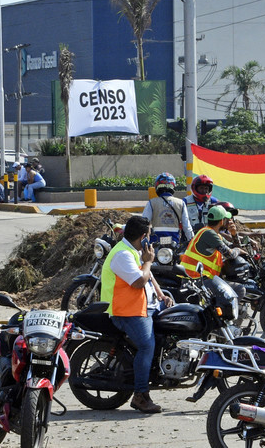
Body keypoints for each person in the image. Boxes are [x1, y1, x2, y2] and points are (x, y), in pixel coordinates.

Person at [101, 215, 173, 414]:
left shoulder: (133, 250)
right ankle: (140, 395)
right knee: (146, 344)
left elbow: (147, 275)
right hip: (125, 311)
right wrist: (148, 261)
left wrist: (161, 295)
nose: (149, 239)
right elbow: (139, 281)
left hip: (142, 307)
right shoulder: (122, 254)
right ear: (143, 236)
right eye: (148, 235)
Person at [180, 205, 242, 278]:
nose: (228, 221)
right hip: (194, 278)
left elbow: (232, 247)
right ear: (222, 221)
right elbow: (230, 254)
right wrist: (238, 250)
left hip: (202, 278)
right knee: (239, 289)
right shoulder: (209, 234)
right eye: (226, 219)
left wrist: (234, 234)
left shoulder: (214, 234)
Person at [141, 173, 194, 250]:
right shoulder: (180, 203)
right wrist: (192, 241)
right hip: (174, 243)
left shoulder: (152, 203)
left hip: (155, 243)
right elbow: (187, 227)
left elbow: (144, 223)